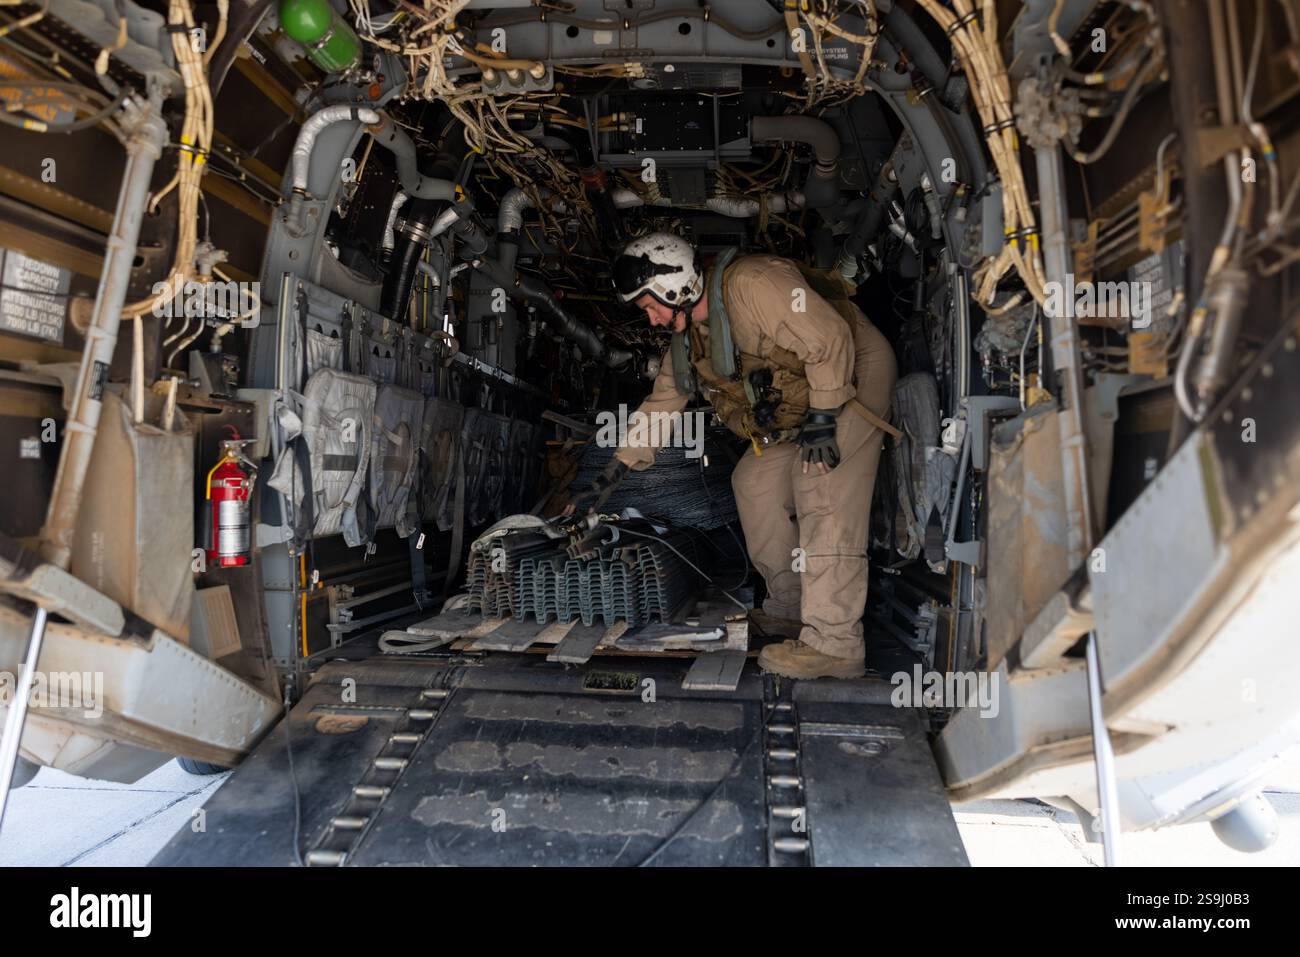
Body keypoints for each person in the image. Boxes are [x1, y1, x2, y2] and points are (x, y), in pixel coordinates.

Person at [570, 232, 899, 679]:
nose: (650, 320)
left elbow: (828, 338)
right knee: (754, 482)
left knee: (818, 480)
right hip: (805, 403)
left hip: (854, 372)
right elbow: (662, 403)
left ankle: (836, 643)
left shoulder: (755, 285)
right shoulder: (689, 343)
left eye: (650, 307)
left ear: (675, 287)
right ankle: (790, 609)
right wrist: (613, 471)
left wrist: (824, 418)